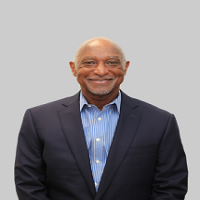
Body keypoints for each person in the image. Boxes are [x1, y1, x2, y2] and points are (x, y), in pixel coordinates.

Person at [15, 37, 188, 200]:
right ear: (73, 68)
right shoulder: (38, 119)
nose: (101, 71)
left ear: (125, 67)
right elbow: (29, 184)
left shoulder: (160, 121)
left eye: (112, 62)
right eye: (89, 62)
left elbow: (171, 185)